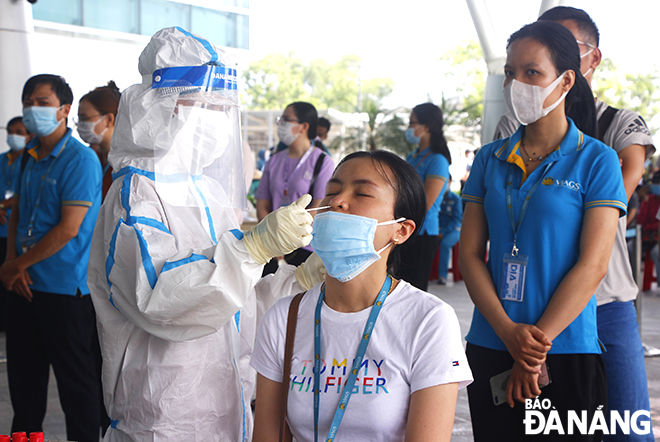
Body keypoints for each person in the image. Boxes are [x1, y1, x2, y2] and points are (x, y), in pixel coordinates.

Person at [87, 27, 326, 442]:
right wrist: (252, 248)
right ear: (158, 106)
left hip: (227, 404)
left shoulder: (209, 191)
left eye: (221, 108)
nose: (213, 119)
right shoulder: (136, 193)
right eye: (202, 105)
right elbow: (160, 300)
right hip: (162, 416)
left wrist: (293, 282)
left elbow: (236, 301)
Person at [493, 7, 656, 439]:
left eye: (561, 43)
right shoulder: (514, 124)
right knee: (541, 426)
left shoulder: (617, 124)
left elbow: (625, 178)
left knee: (626, 425)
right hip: (530, 309)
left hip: (604, 303)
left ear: (590, 59)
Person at [461, 21, 627, 441]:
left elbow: (593, 265)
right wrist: (507, 333)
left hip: (566, 348)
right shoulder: (487, 159)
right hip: (491, 342)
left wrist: (533, 349)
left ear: (566, 79)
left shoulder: (597, 160)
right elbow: (468, 257)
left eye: (532, 72)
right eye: (511, 72)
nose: (518, 83)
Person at [251, 150, 473, 442]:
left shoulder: (428, 320)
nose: (338, 201)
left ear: (401, 230)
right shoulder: (283, 317)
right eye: (332, 190)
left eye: (363, 193)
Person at [0, 74, 103, 442]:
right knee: (25, 389)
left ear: (64, 110)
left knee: (76, 386)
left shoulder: (80, 160)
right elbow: (16, 214)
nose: (32, 109)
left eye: (42, 102)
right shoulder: (27, 158)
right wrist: (12, 263)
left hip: (64, 290)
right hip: (24, 285)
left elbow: (68, 228)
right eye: (28, 101)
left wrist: (17, 265)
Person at [256, 102, 334, 275]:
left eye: (286, 119)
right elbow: (262, 204)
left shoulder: (322, 162)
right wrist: (272, 236)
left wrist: (288, 237)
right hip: (270, 245)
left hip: (305, 247)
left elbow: (318, 206)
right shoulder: (274, 160)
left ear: (303, 126)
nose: (281, 123)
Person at [399, 103, 451, 291]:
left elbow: (426, 202)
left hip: (422, 233)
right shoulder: (413, 156)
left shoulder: (437, 160)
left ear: (426, 126)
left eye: (412, 123)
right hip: (405, 229)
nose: (409, 128)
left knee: (414, 289)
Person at [0, 117, 33, 331]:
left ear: (30, 136)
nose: (13, 136)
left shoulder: (32, 162)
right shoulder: (2, 160)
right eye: (10, 131)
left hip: (19, 231)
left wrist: (3, 205)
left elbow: (23, 197)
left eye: (19, 132)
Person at [77, 81, 121, 200]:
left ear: (108, 119)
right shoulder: (92, 159)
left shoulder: (124, 164)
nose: (80, 124)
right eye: (79, 119)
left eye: (85, 118)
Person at [436, 178, 462, 285]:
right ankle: (428, 273)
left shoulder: (455, 199)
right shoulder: (437, 197)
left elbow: (457, 219)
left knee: (445, 244)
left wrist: (443, 232)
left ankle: (443, 276)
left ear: (450, 182)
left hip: (453, 230)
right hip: (438, 229)